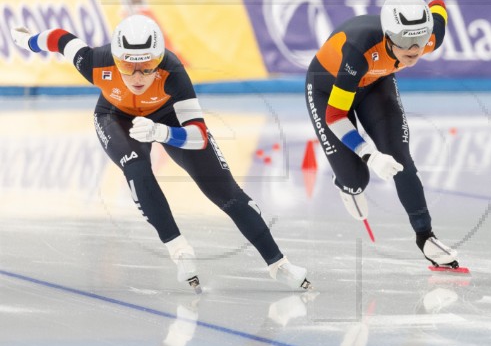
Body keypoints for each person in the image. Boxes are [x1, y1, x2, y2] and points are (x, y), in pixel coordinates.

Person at [10, 15, 310, 291]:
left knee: (224, 190)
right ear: (116, 60)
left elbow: (199, 137)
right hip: (115, 117)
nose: (138, 76)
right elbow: (61, 39)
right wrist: (27, 40)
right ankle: (179, 250)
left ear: (159, 61)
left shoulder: (173, 72)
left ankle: (278, 264)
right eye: (128, 67)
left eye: (147, 66)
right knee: (137, 167)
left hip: (168, 118)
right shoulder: (95, 61)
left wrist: (162, 132)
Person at [304, 0, 462, 270]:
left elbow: (439, 5)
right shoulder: (358, 49)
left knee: (401, 159)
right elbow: (336, 116)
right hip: (327, 91)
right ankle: (346, 184)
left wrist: (429, 8)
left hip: (376, 84)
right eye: (404, 41)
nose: (414, 49)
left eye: (421, 39)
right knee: (356, 180)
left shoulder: (428, 38)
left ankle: (426, 237)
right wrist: (369, 154)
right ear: (388, 35)